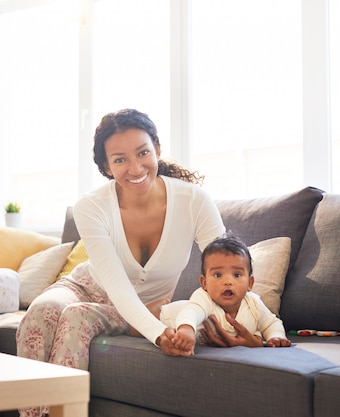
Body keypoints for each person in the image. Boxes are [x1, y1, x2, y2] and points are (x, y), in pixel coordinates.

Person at [15, 108, 225, 417]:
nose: (135, 167)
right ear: (106, 166)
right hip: (85, 286)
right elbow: (116, 284)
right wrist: (157, 333)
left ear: (157, 148)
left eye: (142, 153)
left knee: (76, 317)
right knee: (43, 310)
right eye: (120, 159)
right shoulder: (91, 206)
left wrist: (249, 324)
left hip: (134, 306)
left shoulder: (195, 202)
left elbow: (227, 269)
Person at [160, 233, 292, 356]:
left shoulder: (254, 304)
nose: (228, 282)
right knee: (145, 322)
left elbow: (271, 323)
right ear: (204, 283)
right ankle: (160, 304)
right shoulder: (203, 298)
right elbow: (191, 312)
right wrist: (186, 329)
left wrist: (276, 337)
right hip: (170, 316)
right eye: (218, 275)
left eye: (237, 275)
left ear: (250, 283)